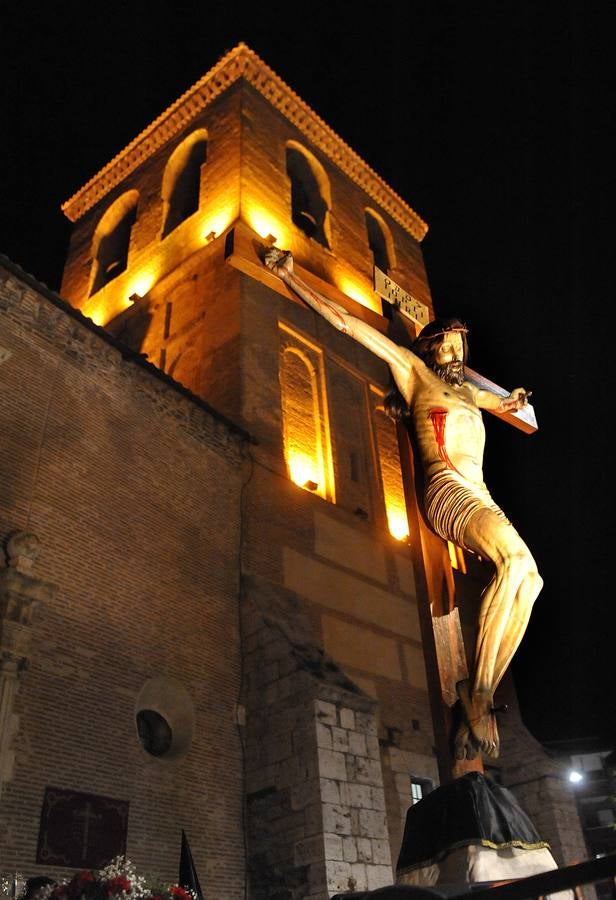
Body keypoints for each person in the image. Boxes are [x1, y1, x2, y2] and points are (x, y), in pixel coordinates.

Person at [263, 247, 543, 759]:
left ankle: (479, 690)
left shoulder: (467, 394)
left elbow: (510, 406)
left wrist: (517, 401)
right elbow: (347, 323)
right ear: (432, 349)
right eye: (449, 347)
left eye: (462, 347)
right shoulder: (415, 373)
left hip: (482, 495)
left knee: (531, 579)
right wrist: (291, 277)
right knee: (514, 562)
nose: (456, 355)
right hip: (448, 491)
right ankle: (478, 694)